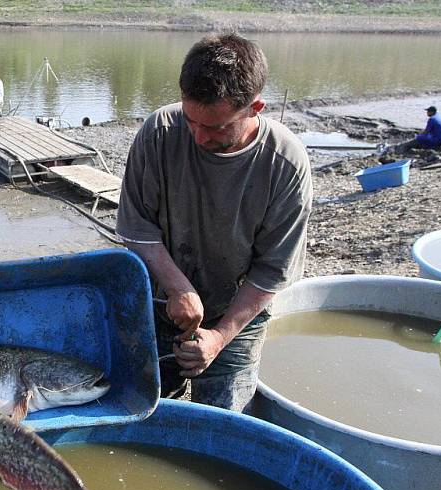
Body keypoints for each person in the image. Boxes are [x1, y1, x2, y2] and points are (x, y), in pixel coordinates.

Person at [116, 33, 312, 413]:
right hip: (159, 302)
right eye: (192, 122)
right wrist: (178, 288)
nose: (200, 137)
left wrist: (219, 338)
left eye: (218, 127)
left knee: (224, 418)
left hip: (237, 310)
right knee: (144, 408)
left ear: (255, 107)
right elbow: (136, 227)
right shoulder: (160, 132)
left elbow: (273, 270)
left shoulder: (285, 163)